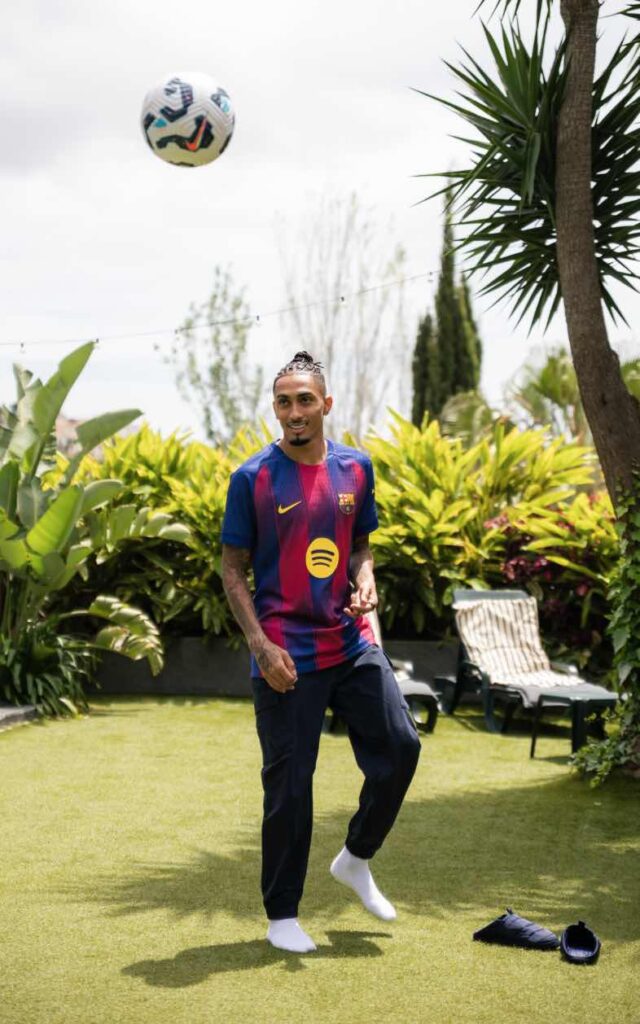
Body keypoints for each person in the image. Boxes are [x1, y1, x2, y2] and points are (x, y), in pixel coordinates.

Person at [221, 350, 421, 953]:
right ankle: (282, 915)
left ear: (326, 404)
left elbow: (359, 547)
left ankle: (356, 857)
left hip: (349, 642)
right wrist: (261, 647)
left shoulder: (356, 468)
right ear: (275, 408)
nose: (294, 412)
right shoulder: (252, 478)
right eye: (284, 402)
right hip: (285, 657)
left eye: (305, 400)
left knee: (401, 746)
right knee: (290, 787)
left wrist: (366, 579)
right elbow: (231, 570)